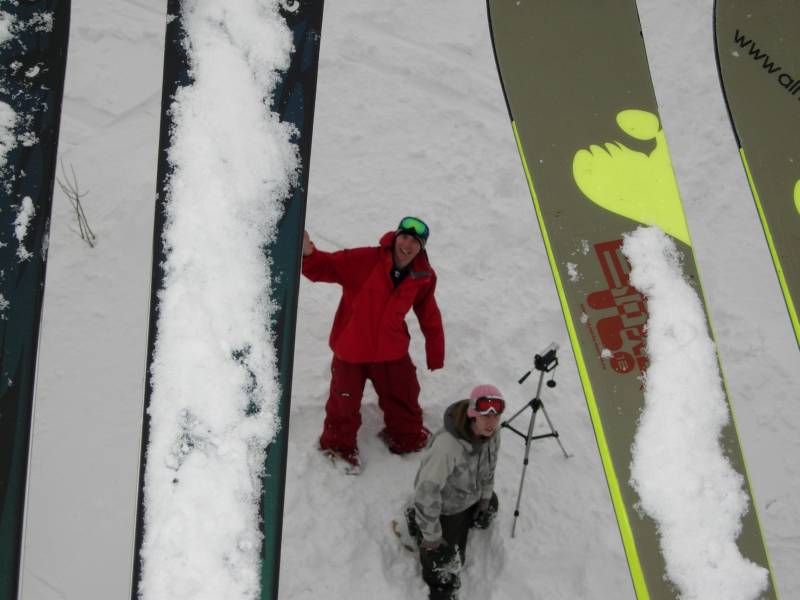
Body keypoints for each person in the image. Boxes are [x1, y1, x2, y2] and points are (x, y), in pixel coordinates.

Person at [301, 216, 445, 472]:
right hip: (351, 349)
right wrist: (307, 252)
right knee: (343, 404)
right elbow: (325, 266)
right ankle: (338, 448)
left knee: (404, 396)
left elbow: (429, 313)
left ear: (422, 247)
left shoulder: (423, 275)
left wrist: (435, 352)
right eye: (404, 237)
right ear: (396, 237)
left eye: (415, 241)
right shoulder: (364, 260)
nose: (407, 245)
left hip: (391, 349)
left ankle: (406, 438)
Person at [406, 384, 503, 600]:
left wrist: (485, 498)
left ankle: (437, 526)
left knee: (491, 506)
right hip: (447, 507)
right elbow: (426, 493)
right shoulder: (447, 446)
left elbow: (490, 466)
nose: (491, 422)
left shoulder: (493, 433)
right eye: (485, 416)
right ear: (472, 414)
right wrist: (432, 537)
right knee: (444, 560)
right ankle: (420, 527)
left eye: (496, 416)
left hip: (471, 495)